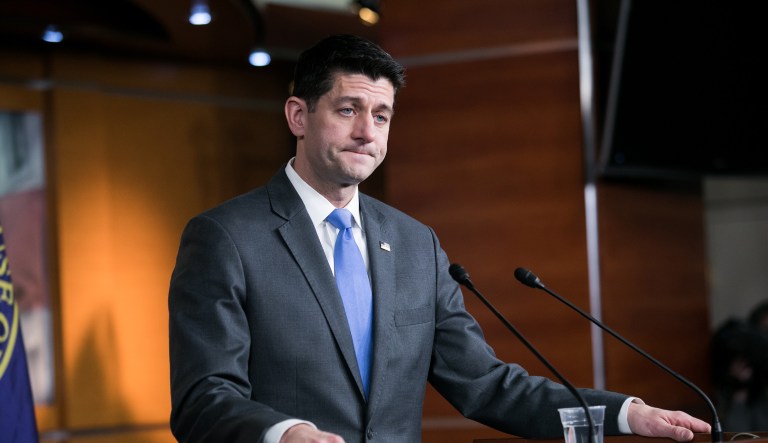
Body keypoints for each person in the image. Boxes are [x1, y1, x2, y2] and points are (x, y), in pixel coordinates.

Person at [168, 34, 711, 443]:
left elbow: (487, 385)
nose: (367, 132)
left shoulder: (414, 245)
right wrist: (284, 432)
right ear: (298, 116)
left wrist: (621, 415)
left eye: (381, 115)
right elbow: (202, 398)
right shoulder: (226, 238)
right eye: (348, 110)